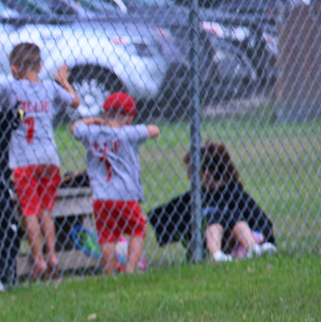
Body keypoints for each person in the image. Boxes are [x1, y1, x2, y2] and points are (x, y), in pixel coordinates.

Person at [0, 42, 79, 280]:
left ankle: (38, 260)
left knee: (30, 211)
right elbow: (75, 101)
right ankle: (52, 255)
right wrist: (63, 80)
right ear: (40, 66)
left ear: (14, 68)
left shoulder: (12, 87)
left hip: (24, 160)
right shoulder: (50, 88)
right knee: (46, 211)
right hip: (50, 158)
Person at [70, 92, 160, 274]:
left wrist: (93, 121)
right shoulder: (128, 133)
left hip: (101, 196)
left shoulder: (91, 133)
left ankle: (110, 273)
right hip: (125, 195)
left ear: (104, 113)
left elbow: (74, 128)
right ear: (129, 118)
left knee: (107, 237)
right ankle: (130, 268)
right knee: (138, 229)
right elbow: (154, 130)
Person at [148, 141, 276, 263]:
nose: (188, 178)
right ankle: (217, 255)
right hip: (210, 240)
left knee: (231, 215)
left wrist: (260, 236)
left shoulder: (234, 193)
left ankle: (252, 248)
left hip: (234, 241)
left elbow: (262, 221)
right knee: (214, 217)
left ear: (205, 173)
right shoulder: (197, 196)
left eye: (190, 173)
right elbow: (167, 215)